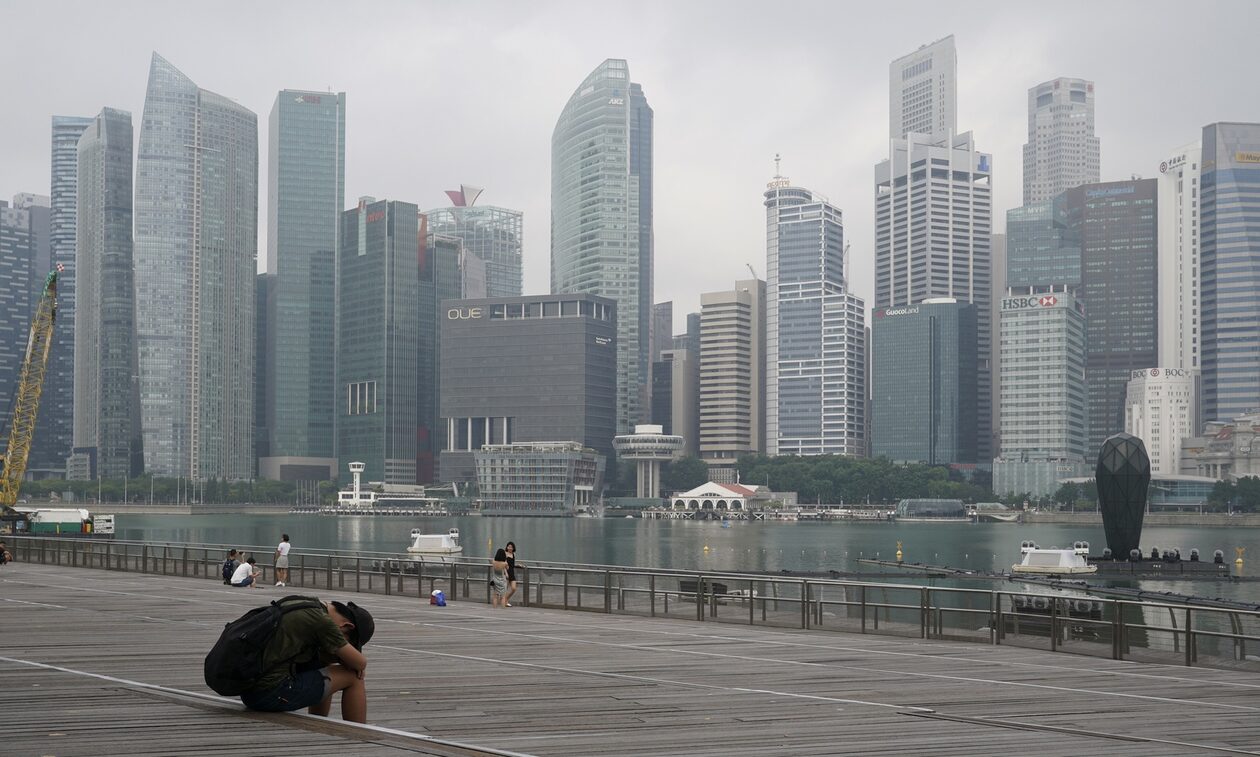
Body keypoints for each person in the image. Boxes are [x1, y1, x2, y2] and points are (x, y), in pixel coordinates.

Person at [240, 597, 374, 723]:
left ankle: (318, 722)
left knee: (322, 663)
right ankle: (359, 733)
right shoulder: (324, 623)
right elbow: (361, 663)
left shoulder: (306, 604)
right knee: (353, 676)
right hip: (270, 694)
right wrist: (349, 662)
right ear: (347, 626)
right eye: (349, 643)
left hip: (249, 691)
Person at [503, 541, 522, 608]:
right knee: (505, 589)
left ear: (513, 548)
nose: (509, 548)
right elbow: (504, 565)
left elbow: (512, 565)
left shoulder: (514, 554)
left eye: (511, 547)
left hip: (512, 573)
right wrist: (506, 573)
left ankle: (506, 599)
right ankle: (505, 602)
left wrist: (517, 565)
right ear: (507, 547)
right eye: (508, 546)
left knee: (514, 588)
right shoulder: (505, 554)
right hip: (506, 573)